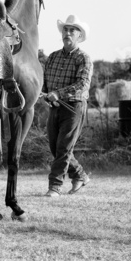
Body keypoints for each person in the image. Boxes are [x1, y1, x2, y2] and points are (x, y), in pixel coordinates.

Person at [42, 14, 93, 197]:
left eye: (73, 30)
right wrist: (45, 94)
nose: (68, 33)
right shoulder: (53, 57)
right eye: (66, 29)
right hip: (55, 106)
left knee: (63, 147)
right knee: (56, 148)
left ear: (79, 36)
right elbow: (46, 83)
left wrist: (58, 93)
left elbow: (82, 84)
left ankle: (54, 187)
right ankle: (80, 175)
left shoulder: (84, 58)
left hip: (74, 107)